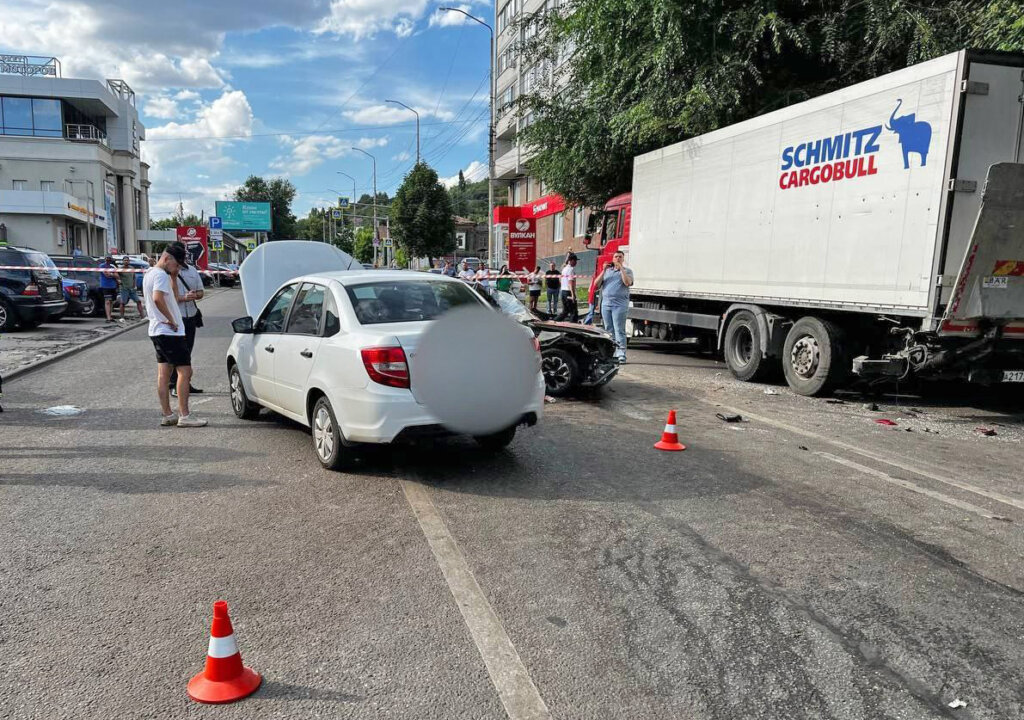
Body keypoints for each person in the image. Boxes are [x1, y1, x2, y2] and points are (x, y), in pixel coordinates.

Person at [143, 242, 207, 428]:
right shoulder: (160, 275)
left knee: (164, 374)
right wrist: (171, 319)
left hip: (157, 330)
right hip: (169, 331)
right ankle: (185, 415)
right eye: (176, 264)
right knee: (185, 371)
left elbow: (171, 294)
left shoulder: (151, 273)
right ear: (167, 258)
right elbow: (157, 298)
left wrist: (174, 276)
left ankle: (167, 414)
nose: (177, 268)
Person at [170, 252, 205, 397]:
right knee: (176, 352)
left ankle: (185, 383)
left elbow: (201, 292)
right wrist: (183, 298)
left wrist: (195, 295)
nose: (183, 259)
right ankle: (173, 385)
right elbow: (166, 297)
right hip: (176, 318)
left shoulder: (192, 271)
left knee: (188, 352)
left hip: (190, 316)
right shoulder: (169, 273)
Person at [593, 250, 634, 363]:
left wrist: (621, 269)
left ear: (623, 259)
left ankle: (621, 354)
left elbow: (627, 283)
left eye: (620, 257)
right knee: (609, 330)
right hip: (606, 304)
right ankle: (610, 353)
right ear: (613, 258)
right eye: (616, 257)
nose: (617, 259)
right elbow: (596, 284)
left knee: (619, 329)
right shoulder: (607, 271)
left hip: (619, 305)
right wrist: (603, 270)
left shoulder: (627, 271)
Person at [117, 256, 144, 321]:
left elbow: (134, 277)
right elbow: (116, 275)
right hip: (124, 288)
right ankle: (122, 317)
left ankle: (143, 317)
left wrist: (135, 285)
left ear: (129, 261)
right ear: (123, 261)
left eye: (127, 260)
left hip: (132, 289)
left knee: (138, 301)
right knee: (123, 303)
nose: (126, 261)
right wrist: (118, 280)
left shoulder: (132, 268)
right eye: (125, 260)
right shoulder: (120, 269)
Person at [557, 253, 579, 322]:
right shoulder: (571, 270)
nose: (576, 262)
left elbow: (560, 280)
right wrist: (572, 295)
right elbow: (570, 282)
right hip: (568, 292)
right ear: (571, 260)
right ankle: (574, 327)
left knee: (565, 311)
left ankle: (555, 321)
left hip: (563, 291)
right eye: (575, 260)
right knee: (573, 312)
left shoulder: (564, 269)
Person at [98, 255, 118, 322]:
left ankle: (110, 316)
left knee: (112, 301)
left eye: (109, 259)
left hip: (113, 286)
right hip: (105, 286)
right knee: (107, 301)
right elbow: (106, 274)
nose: (108, 261)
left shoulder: (112, 266)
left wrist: (111, 274)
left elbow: (117, 275)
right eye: (107, 259)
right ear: (105, 259)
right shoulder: (102, 266)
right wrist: (112, 274)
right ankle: (108, 318)